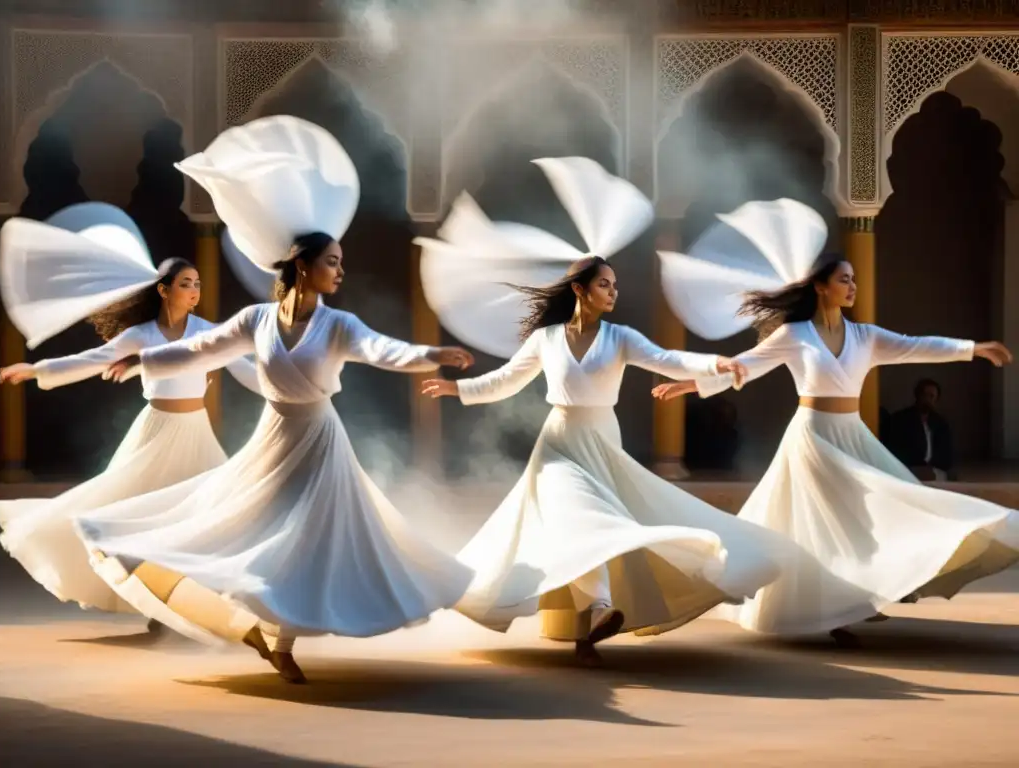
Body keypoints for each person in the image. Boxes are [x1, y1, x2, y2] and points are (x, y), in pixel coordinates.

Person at [70, 115, 476, 685]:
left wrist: (432, 354)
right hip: (274, 435)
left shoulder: (339, 324)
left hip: (320, 439)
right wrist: (143, 357)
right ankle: (261, 627)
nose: (340, 270)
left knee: (312, 536)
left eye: (340, 261)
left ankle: (279, 639)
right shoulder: (257, 319)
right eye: (331, 261)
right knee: (247, 526)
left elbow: (383, 351)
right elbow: (199, 349)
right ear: (302, 266)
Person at [417, 158, 789, 667]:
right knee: (579, 519)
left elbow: (667, 359)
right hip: (557, 444)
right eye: (604, 285)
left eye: (614, 285)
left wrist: (714, 363)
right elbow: (503, 381)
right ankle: (598, 610)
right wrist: (456, 391)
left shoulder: (620, 338)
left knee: (592, 524)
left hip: (601, 441)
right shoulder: (547, 339)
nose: (613, 292)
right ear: (579, 290)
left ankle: (590, 621)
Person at [654, 198, 1019, 645]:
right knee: (824, 526)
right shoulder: (794, 335)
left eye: (854, 280)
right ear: (821, 286)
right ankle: (836, 609)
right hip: (813, 439)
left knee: (887, 508)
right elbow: (742, 366)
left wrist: (971, 348)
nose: (853, 286)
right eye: (844, 279)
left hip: (853, 436)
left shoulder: (865, 336)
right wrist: (689, 385)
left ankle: (862, 593)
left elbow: (914, 346)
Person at [0, 203, 260, 627]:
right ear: (163, 289)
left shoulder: (207, 331)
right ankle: (153, 600)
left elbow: (244, 368)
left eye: (197, 284)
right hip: (155, 432)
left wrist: (289, 388)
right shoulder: (141, 335)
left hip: (196, 431)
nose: (194, 291)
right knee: (131, 515)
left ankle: (194, 605)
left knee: (207, 519)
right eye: (186, 284)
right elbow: (90, 359)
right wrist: (37, 370)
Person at [888, 379, 953, 481]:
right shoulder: (900, 419)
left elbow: (947, 454)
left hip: (934, 469)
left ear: (936, 399)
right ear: (917, 395)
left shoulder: (941, 423)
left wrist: (933, 466)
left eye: (931, 396)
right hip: (909, 468)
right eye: (924, 395)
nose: (927, 399)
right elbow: (896, 450)